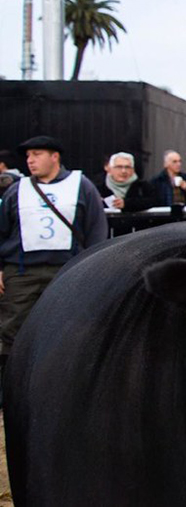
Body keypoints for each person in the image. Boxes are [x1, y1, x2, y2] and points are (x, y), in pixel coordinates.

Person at [0, 136, 108, 362]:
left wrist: (94, 268)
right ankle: (10, 378)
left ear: (54, 157)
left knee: (69, 326)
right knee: (12, 330)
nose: (30, 160)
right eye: (28, 156)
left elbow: (96, 230)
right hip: (21, 273)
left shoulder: (82, 186)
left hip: (68, 270)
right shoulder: (17, 190)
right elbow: (2, 230)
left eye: (37, 154)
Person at [95, 152, 159, 212]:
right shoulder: (98, 188)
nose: (124, 171)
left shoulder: (143, 187)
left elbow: (154, 201)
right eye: (119, 167)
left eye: (127, 167)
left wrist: (127, 204)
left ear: (133, 170)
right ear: (109, 169)